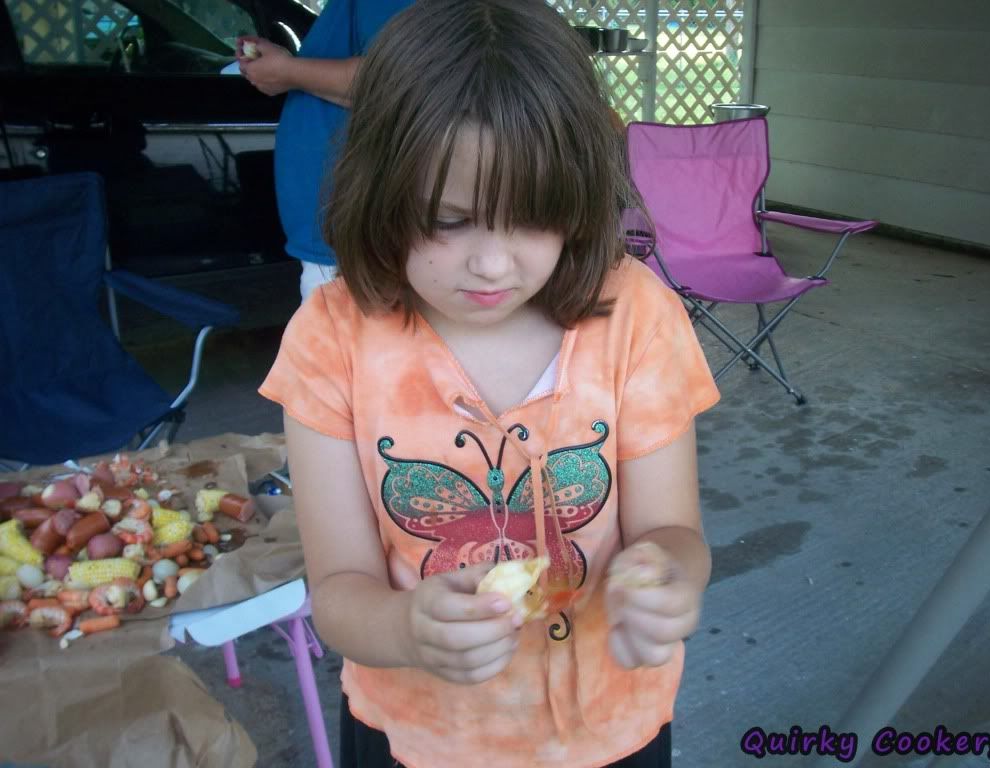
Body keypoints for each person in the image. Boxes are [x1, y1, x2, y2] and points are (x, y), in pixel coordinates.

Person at [259, 1, 720, 766]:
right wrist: (405, 629)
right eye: (447, 219)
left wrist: (666, 580)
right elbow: (340, 589)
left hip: (610, 727)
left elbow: (674, 532)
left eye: (534, 220)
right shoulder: (332, 339)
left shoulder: (637, 314)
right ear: (381, 189)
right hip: (417, 735)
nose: (493, 265)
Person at [236, 0, 415, 302]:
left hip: (358, 239)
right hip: (345, 239)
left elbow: (403, 80)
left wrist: (287, 72)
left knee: (353, 346)